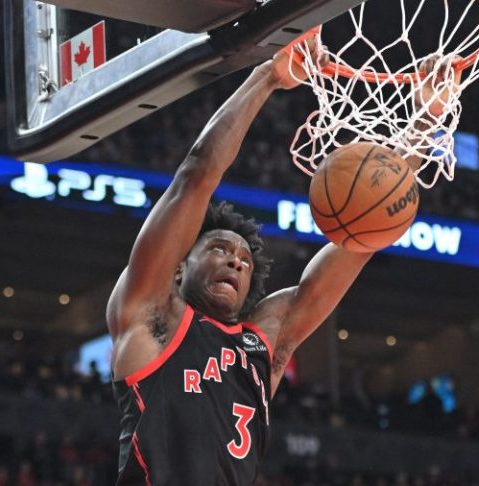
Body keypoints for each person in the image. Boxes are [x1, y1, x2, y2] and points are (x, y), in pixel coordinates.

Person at [107, 40, 450, 485]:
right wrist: (269, 76)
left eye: (244, 260)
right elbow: (195, 177)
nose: (235, 262)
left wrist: (425, 118)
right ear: (179, 267)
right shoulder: (151, 316)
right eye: (219, 249)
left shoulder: (262, 343)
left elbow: (367, 233)